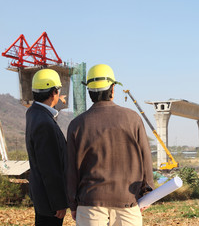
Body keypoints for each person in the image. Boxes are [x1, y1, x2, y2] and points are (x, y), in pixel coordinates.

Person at [66, 64, 154, 226]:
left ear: (89, 91)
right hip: (128, 202)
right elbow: (145, 158)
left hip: (90, 204)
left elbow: (71, 169)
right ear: (113, 89)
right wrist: (147, 192)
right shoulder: (133, 118)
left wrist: (72, 203)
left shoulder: (76, 125)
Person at [25, 69, 68, 226]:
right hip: (50, 202)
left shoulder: (34, 113)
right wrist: (58, 202)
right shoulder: (45, 123)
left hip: (42, 195)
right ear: (53, 93)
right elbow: (49, 166)